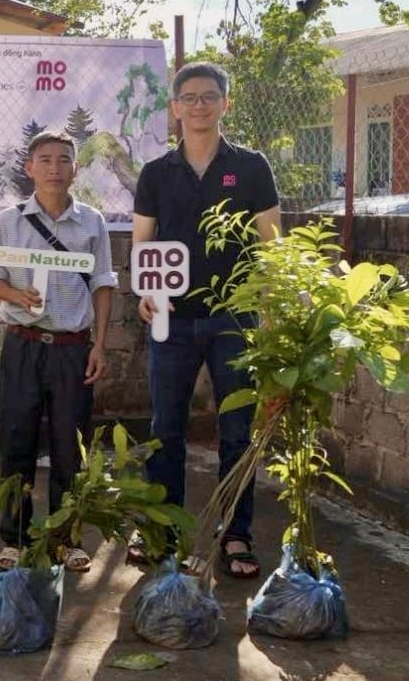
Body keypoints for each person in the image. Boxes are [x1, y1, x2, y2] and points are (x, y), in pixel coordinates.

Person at [133, 62, 280, 579]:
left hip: (234, 319)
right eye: (189, 97)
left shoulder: (253, 166)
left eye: (209, 96)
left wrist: (271, 307)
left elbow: (272, 243)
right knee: (164, 429)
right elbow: (143, 244)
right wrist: (145, 294)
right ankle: (162, 529)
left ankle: (236, 533)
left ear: (225, 104)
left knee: (237, 431)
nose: (199, 104)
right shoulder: (155, 173)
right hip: (170, 321)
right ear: (174, 108)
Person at [0, 130, 117, 572]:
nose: (54, 168)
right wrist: (17, 297)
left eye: (63, 160)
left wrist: (99, 343)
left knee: (69, 445)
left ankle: (66, 537)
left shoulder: (92, 222)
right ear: (29, 168)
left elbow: (101, 283)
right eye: (45, 160)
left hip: (72, 349)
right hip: (22, 345)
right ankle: (15, 537)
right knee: (17, 440)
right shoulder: (9, 221)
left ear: (76, 169)